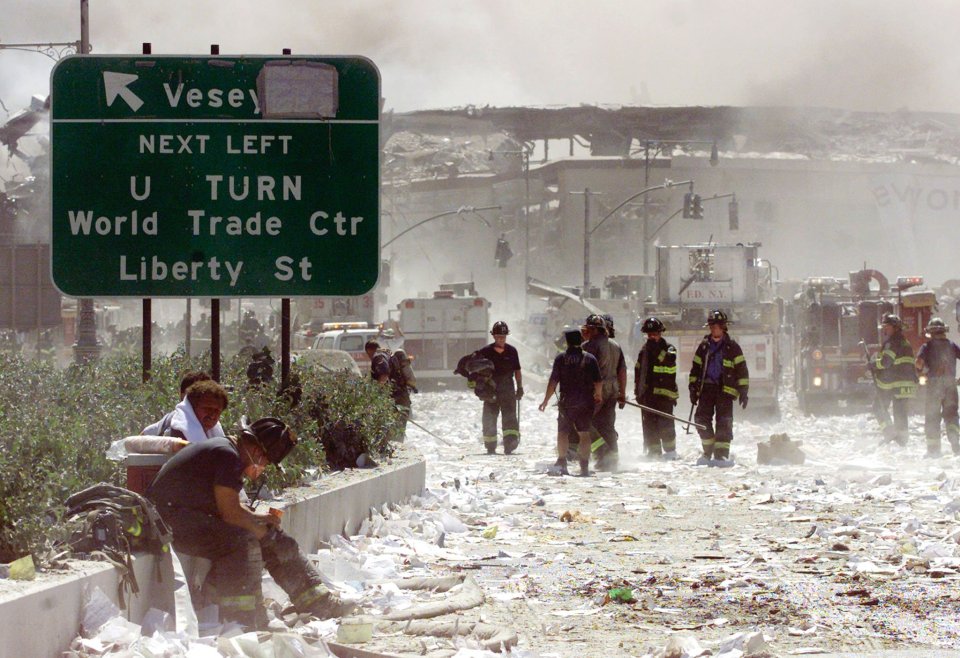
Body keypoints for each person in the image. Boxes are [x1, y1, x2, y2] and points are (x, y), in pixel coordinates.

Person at [146, 416, 351, 628]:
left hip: (183, 518)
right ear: (256, 452)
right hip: (167, 522)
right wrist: (263, 533)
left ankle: (318, 603)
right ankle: (243, 618)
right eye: (266, 462)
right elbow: (231, 514)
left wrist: (261, 521)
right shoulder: (227, 456)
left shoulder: (228, 452)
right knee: (244, 541)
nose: (263, 468)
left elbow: (230, 505)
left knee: (273, 538)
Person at [688, 309, 749, 467]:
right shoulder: (703, 347)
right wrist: (693, 389)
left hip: (725, 391)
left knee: (724, 422)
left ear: (723, 328)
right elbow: (695, 369)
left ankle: (721, 456)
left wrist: (743, 391)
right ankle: (708, 451)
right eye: (712, 327)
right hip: (706, 389)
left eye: (717, 326)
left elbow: (741, 370)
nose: (714, 329)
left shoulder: (732, 347)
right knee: (700, 419)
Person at [538, 326, 602, 476]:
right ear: (580, 340)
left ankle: (562, 461)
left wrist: (545, 401)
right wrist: (598, 395)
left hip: (567, 402)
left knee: (563, 433)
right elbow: (598, 381)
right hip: (586, 402)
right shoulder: (590, 358)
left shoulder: (561, 358)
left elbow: (553, 382)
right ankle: (584, 466)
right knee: (584, 434)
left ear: (566, 342)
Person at [581, 314, 627, 471]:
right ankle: (612, 460)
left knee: (584, 421)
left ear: (593, 330)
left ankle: (602, 453)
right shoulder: (615, 345)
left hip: (597, 390)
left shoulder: (589, 346)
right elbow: (622, 371)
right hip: (613, 390)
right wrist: (622, 393)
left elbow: (584, 372)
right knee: (607, 425)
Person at [869, 313, 918, 447]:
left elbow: (886, 362)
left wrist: (873, 364)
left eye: (887, 326)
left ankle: (889, 432)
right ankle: (902, 441)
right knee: (900, 412)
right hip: (906, 384)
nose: (885, 329)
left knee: (878, 407)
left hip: (893, 383)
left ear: (895, 327)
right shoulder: (904, 342)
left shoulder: (892, 342)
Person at [634, 317, 679, 460]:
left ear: (661, 333)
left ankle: (670, 451)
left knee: (665, 424)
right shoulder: (643, 351)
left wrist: (657, 351)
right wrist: (638, 391)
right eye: (649, 334)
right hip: (648, 395)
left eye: (655, 333)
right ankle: (654, 452)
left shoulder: (669, 348)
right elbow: (638, 371)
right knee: (650, 425)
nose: (652, 337)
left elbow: (670, 359)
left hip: (665, 395)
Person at [915, 317, 960, 457]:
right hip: (950, 384)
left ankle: (933, 451)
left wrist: (920, 374)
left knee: (933, 417)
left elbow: (918, 363)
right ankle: (956, 445)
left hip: (934, 386)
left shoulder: (926, 347)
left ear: (931, 332)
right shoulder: (952, 345)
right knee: (951, 415)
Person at [478, 321, 523, 454]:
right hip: (490, 389)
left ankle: (510, 443)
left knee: (509, 417)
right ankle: (490, 444)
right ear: (493, 336)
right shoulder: (485, 352)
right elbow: (477, 372)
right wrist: (479, 387)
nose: (500, 339)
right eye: (498, 336)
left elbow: (517, 371)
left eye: (503, 336)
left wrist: (520, 387)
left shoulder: (512, 351)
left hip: (507, 389)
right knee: (489, 417)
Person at [142, 373, 225, 441]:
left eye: (217, 410)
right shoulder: (176, 423)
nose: (213, 415)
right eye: (207, 408)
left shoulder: (215, 428)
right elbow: (143, 436)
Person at [365, 339, 417, 440]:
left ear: (369, 351)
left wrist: (375, 394)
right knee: (397, 433)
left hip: (395, 400)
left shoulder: (378, 357)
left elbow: (383, 375)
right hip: (402, 398)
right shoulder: (387, 354)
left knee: (392, 434)